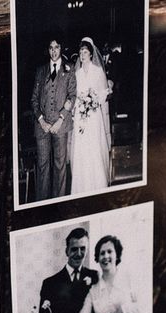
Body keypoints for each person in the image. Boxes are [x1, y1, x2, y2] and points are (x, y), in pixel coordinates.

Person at [64, 234, 138, 313]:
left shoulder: (128, 277)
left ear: (117, 255)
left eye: (110, 251)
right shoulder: (93, 291)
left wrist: (122, 310)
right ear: (97, 258)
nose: (105, 256)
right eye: (101, 253)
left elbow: (143, 303)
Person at [38, 227, 99, 313]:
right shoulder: (50, 283)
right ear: (66, 251)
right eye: (74, 249)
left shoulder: (95, 277)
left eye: (83, 249)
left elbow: (102, 309)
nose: (79, 254)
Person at [31, 38, 77, 201]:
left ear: (61, 48)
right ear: (48, 50)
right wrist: (41, 120)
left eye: (56, 47)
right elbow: (34, 99)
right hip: (42, 127)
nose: (54, 51)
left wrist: (60, 120)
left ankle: (59, 202)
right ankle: (42, 204)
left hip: (60, 126)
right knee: (43, 166)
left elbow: (72, 96)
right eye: (51, 48)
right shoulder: (40, 70)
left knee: (60, 166)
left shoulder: (69, 69)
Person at [69, 37, 112, 195]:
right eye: (80, 51)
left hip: (94, 117)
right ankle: (81, 188)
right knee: (81, 150)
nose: (82, 54)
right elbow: (74, 94)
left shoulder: (98, 71)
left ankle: (98, 186)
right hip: (80, 118)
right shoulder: (77, 73)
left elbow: (104, 93)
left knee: (93, 148)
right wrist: (78, 105)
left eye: (85, 52)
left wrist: (93, 101)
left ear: (91, 54)